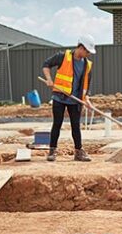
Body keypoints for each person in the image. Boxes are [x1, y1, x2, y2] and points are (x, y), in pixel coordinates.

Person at [40, 34, 96, 162]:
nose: (88, 54)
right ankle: (52, 151)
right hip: (60, 97)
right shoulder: (63, 56)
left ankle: (78, 152)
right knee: (57, 124)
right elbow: (46, 64)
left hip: (75, 100)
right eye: (87, 51)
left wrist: (86, 99)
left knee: (76, 126)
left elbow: (87, 84)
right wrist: (49, 79)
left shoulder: (88, 65)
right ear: (80, 47)